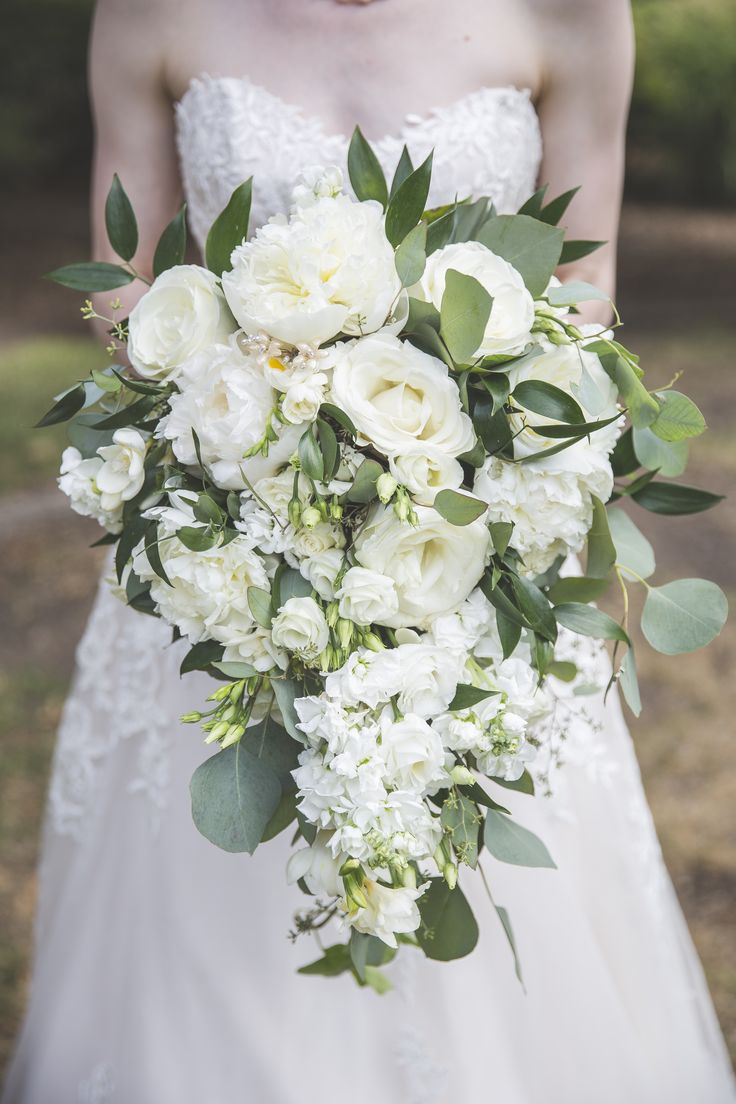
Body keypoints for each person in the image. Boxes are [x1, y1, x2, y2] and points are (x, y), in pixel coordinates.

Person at [4, 1, 735, 1101]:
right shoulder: (153, 9)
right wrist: (256, 429)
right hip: (229, 547)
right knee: (215, 903)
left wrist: (469, 454)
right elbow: (123, 285)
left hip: (467, 555)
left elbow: (583, 297)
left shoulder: (572, 13)